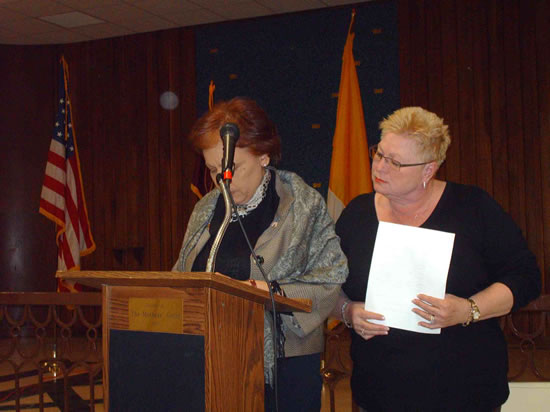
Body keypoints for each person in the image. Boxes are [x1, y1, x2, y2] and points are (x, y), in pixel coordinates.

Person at [332, 106, 541, 411]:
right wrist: (347, 311)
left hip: (465, 391)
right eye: (379, 154)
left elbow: (526, 277)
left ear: (428, 169)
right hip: (380, 392)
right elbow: (325, 285)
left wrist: (468, 309)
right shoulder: (357, 214)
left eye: (396, 162)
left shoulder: (473, 208)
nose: (380, 167)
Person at [173, 97, 348, 411]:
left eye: (232, 168)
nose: (222, 180)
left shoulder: (303, 205)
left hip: (285, 365)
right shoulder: (205, 209)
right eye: (214, 170)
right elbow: (181, 276)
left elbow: (329, 281)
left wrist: (266, 292)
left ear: (264, 155)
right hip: (211, 355)